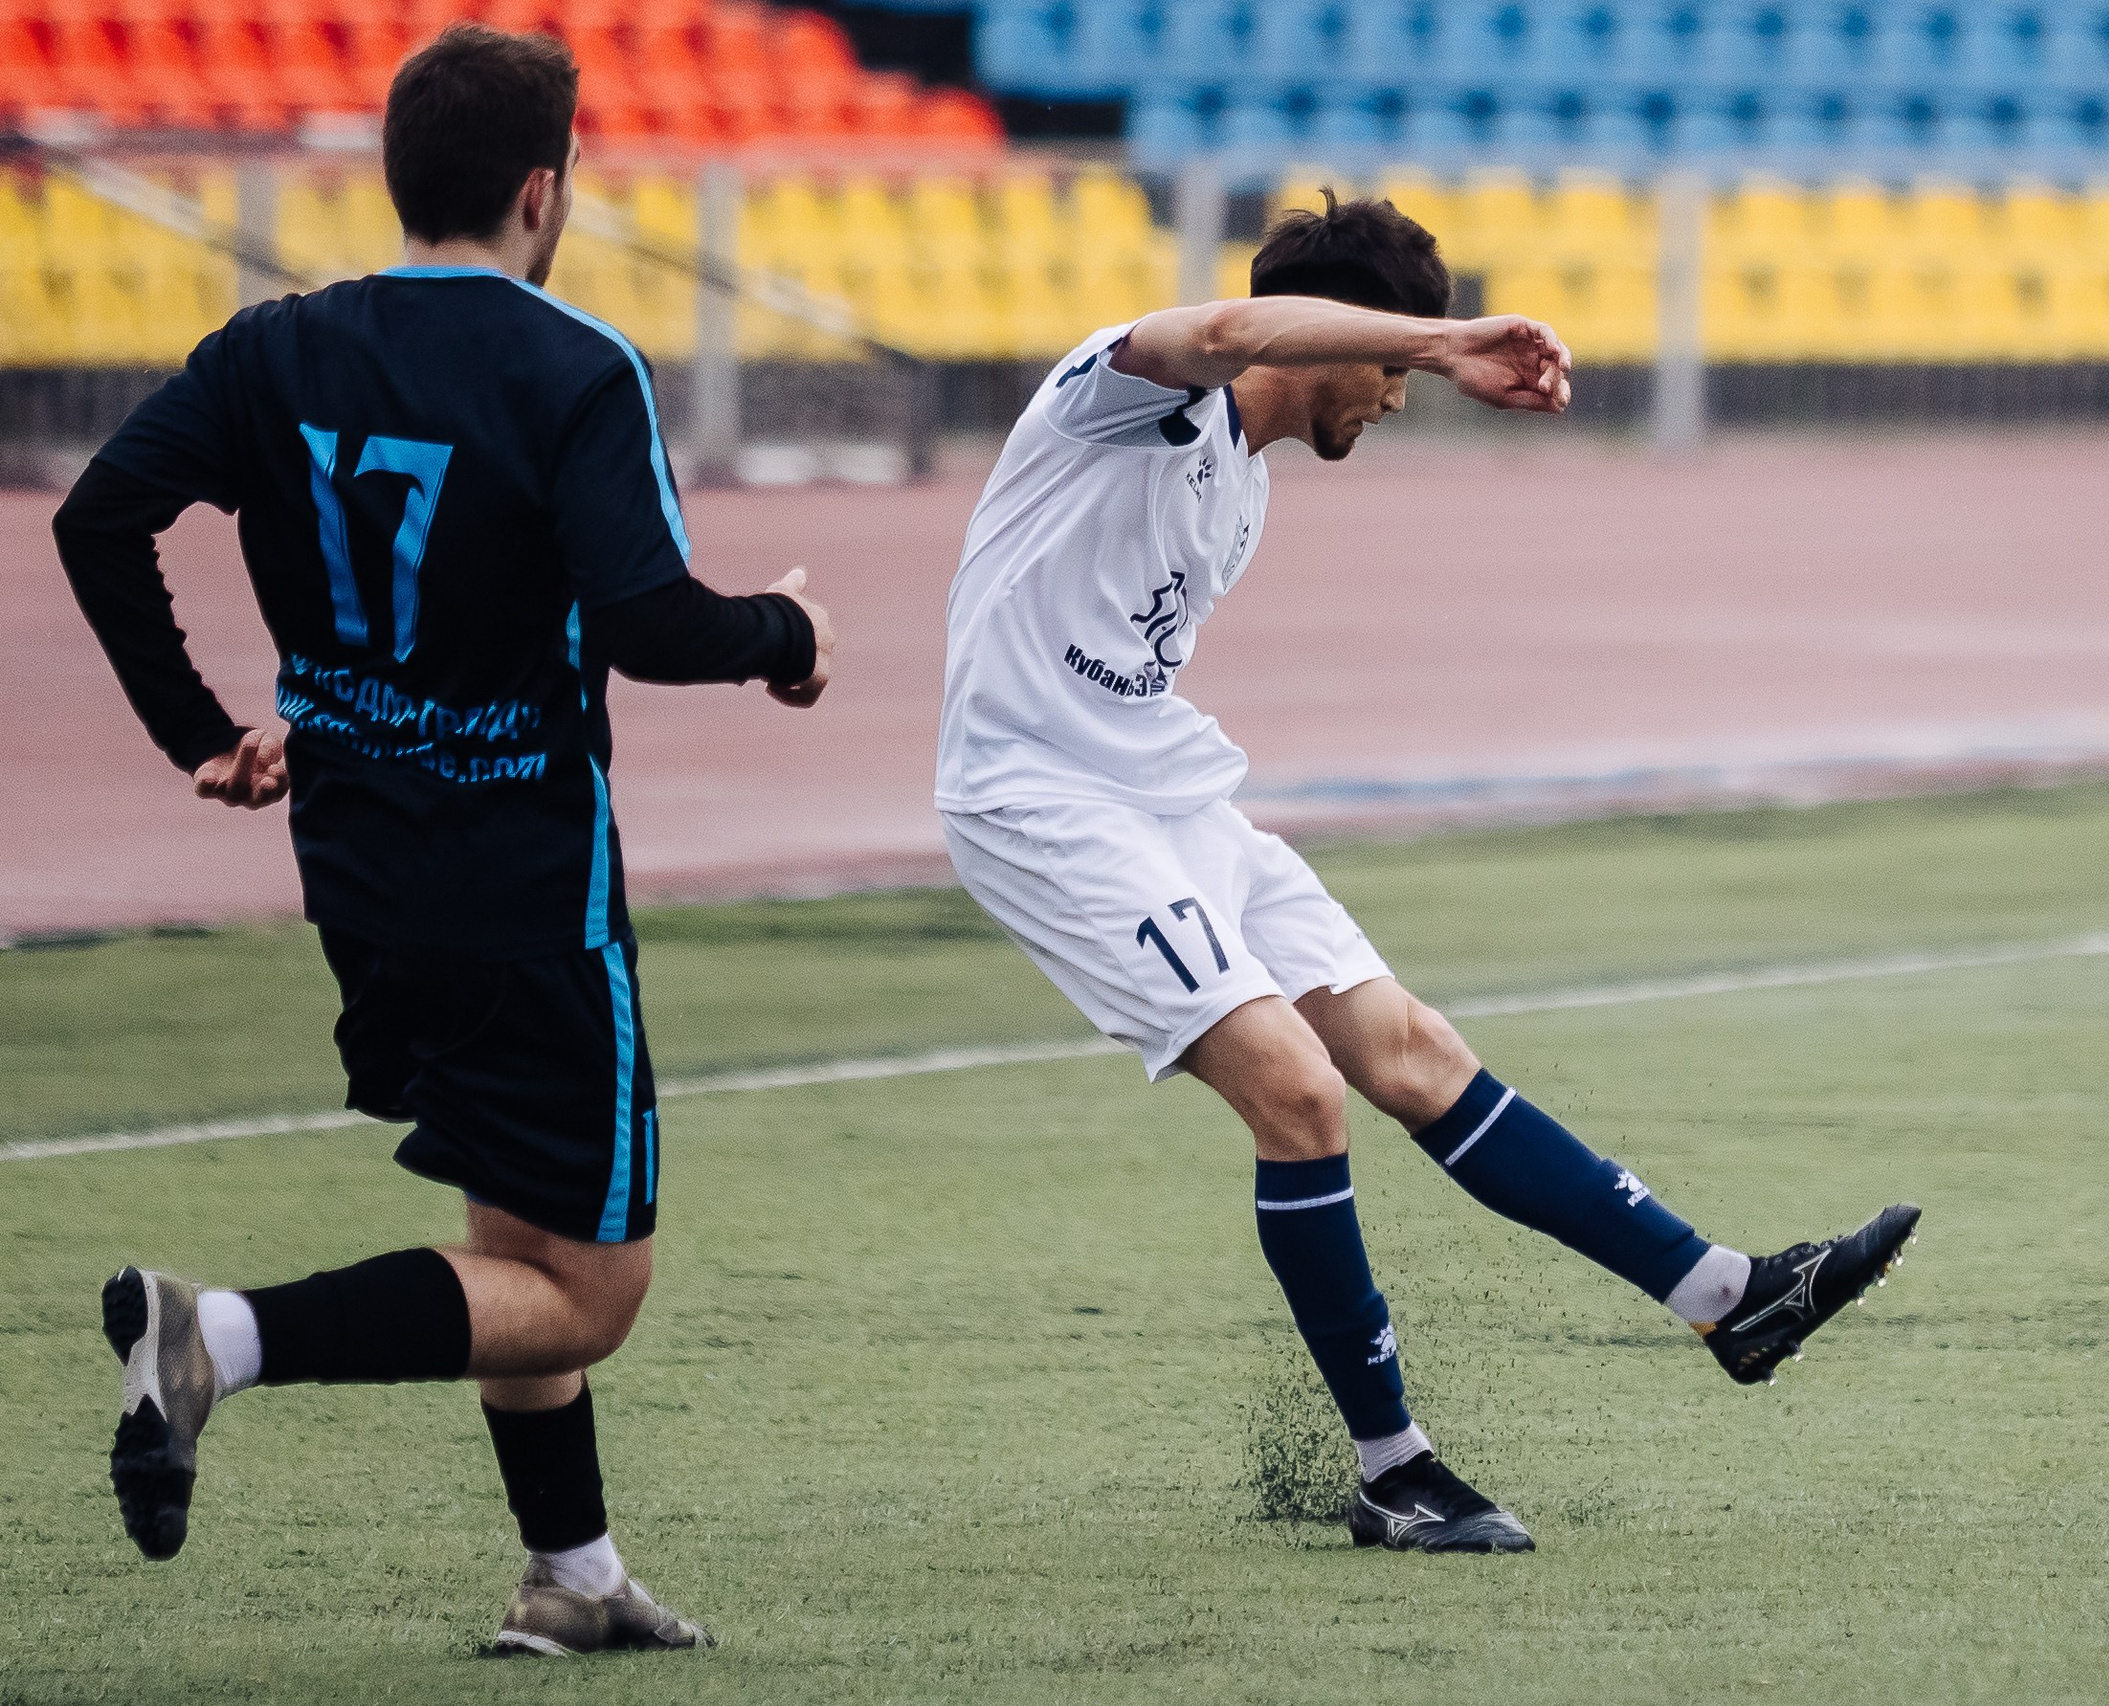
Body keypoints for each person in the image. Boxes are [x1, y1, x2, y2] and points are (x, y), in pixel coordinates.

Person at [937, 194, 1919, 1554]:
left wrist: (1429, 347)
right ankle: (1394, 1469)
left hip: (1169, 793)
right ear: (1333, 333)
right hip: (1038, 797)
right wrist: (1450, 337)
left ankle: (1728, 1295)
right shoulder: (1121, 398)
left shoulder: (1248, 483)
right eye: (1388, 368)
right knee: (1296, 1087)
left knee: (1406, 1046)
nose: (1399, 395)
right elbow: (1226, 325)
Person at [53, 23, 830, 1654]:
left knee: (510, 1239)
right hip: (530, 882)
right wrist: (782, 634)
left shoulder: (276, 347)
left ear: (400, 177)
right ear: (544, 190)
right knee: (591, 1291)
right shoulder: (572, 364)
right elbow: (647, 616)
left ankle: (576, 1572)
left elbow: (96, 515)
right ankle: (222, 1338)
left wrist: (200, 730)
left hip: (357, 863)